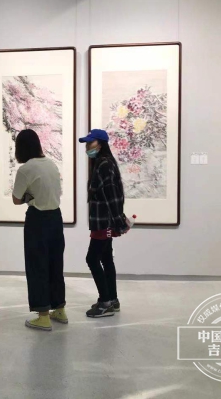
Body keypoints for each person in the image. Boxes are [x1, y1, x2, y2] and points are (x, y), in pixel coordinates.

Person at [11, 129, 66, 331]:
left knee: (37, 266)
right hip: (56, 218)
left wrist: (28, 197)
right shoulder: (51, 164)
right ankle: (59, 309)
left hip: (38, 220)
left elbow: (16, 199)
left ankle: (43, 316)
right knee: (55, 264)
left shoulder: (25, 170)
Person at [79, 129, 129, 318]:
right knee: (106, 258)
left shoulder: (104, 164)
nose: (87, 146)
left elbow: (112, 195)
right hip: (102, 221)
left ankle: (105, 302)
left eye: (90, 143)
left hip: (103, 222)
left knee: (92, 259)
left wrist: (118, 221)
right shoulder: (102, 162)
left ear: (100, 144)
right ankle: (112, 300)